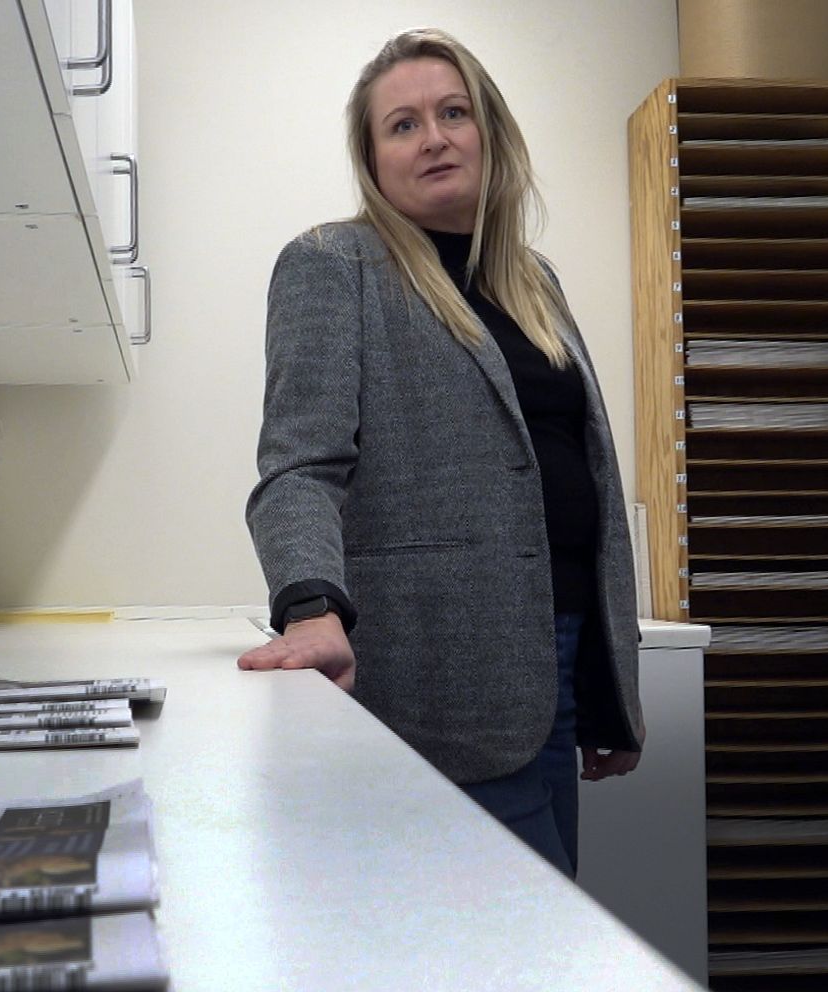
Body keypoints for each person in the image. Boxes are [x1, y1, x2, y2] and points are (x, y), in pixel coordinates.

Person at [238, 27, 644, 880]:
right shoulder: (332, 264)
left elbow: (582, 487)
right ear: (373, 159)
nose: (433, 138)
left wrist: (609, 691)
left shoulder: (535, 282)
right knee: (506, 930)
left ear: (489, 131)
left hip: (559, 668)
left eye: (453, 113)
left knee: (547, 917)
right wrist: (309, 605)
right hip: (436, 683)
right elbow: (300, 467)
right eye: (403, 124)